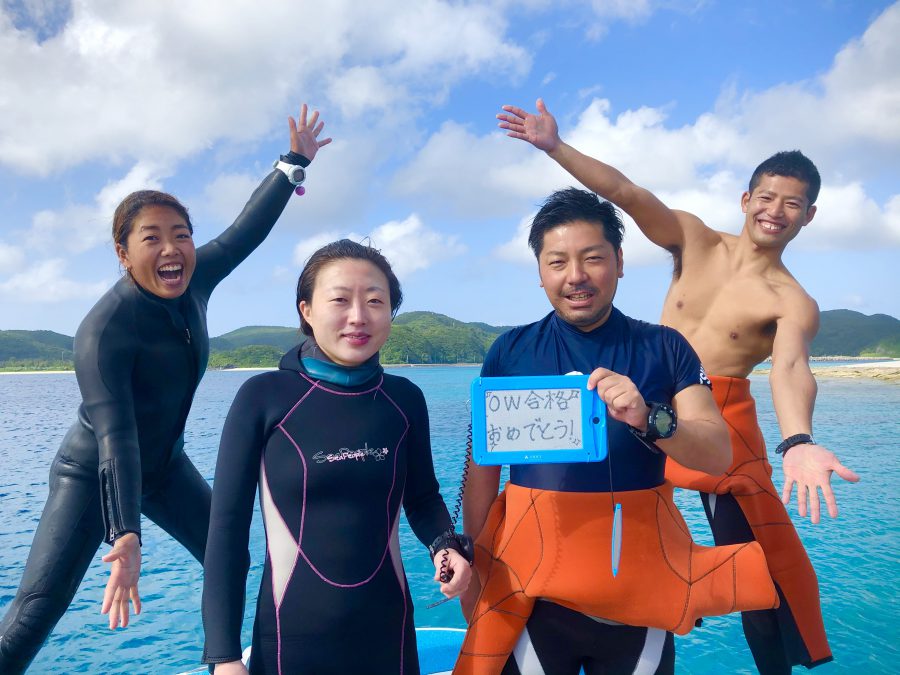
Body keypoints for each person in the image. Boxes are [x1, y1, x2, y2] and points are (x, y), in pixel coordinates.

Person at [497, 98, 861, 671]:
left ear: (808, 216)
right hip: (645, 388)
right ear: (747, 200)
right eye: (766, 197)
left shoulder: (793, 302)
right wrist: (555, 148)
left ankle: (777, 664)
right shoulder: (695, 240)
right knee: (593, 501)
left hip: (720, 406)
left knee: (761, 555)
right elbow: (628, 193)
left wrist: (797, 441)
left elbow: (791, 368)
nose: (775, 211)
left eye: (792, 204)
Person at [0, 105, 331, 674]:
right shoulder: (103, 332)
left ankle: (231, 662)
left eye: (182, 235)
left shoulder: (196, 276)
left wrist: (292, 164)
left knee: (227, 554)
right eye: (151, 238)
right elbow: (117, 439)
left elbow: (244, 232)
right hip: (94, 473)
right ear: (124, 255)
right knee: (38, 608)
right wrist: (124, 533)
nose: (172, 248)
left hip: (165, 464)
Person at [455, 188, 779, 675]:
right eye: (557, 262)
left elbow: (715, 452)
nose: (576, 276)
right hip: (532, 589)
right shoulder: (510, 352)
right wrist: (475, 562)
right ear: (540, 272)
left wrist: (651, 418)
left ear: (620, 261)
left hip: (640, 587)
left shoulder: (665, 348)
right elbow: (481, 466)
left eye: (593, 258)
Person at [201, 239, 473, 675]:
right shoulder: (264, 398)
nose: (358, 317)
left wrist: (445, 545)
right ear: (306, 310)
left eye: (375, 301)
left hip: (388, 636)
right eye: (340, 300)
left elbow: (422, 499)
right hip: (291, 640)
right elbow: (227, 533)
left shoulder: (404, 400)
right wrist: (223, 655)